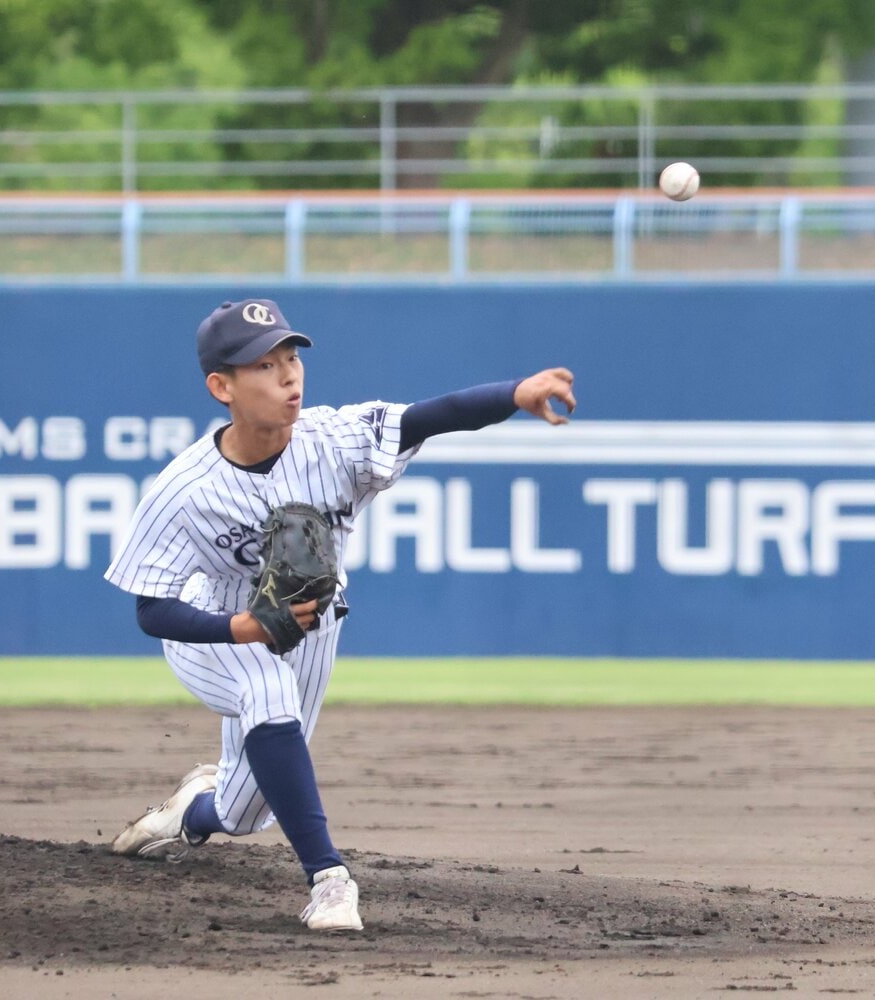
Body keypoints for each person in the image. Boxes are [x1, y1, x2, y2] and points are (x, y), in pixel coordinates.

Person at [104, 298, 575, 931]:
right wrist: (241, 628)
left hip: (314, 629)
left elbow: (431, 418)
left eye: (291, 358)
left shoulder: (335, 440)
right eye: (264, 366)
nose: (288, 376)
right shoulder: (184, 489)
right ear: (222, 387)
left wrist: (513, 393)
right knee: (265, 688)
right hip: (214, 629)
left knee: (247, 813)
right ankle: (330, 880)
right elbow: (151, 609)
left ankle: (190, 812)